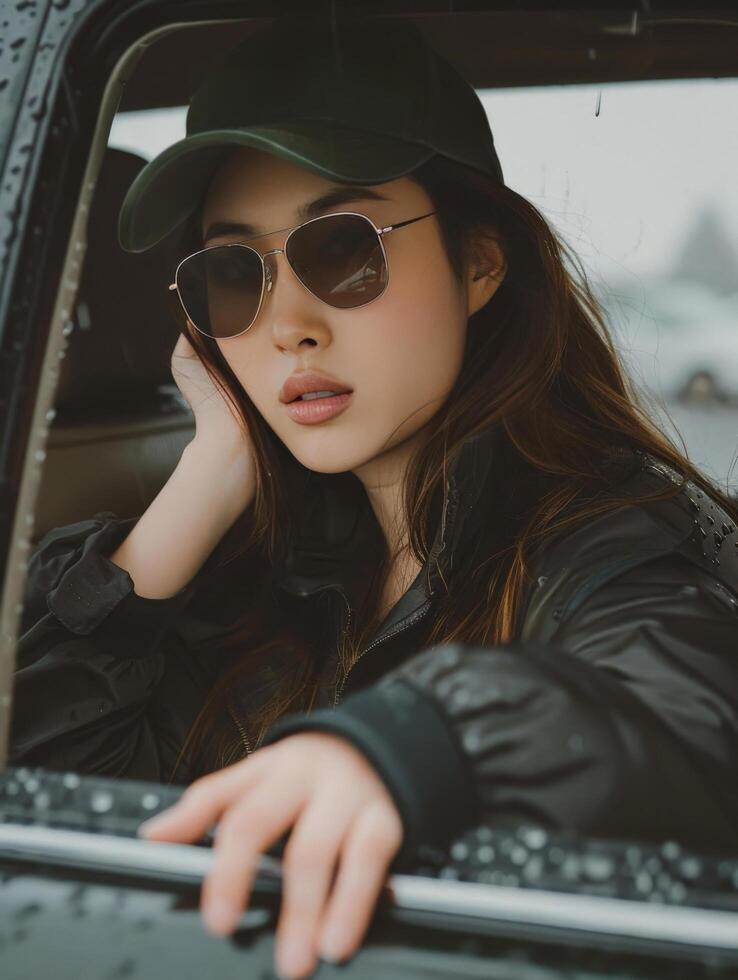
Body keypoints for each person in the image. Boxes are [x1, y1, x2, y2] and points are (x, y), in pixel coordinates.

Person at [10, 11, 738, 980]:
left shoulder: (608, 536)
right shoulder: (273, 565)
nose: (287, 327)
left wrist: (421, 741)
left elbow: (689, 722)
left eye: (342, 249)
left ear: (479, 263)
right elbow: (47, 798)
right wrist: (210, 470)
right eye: (233, 275)